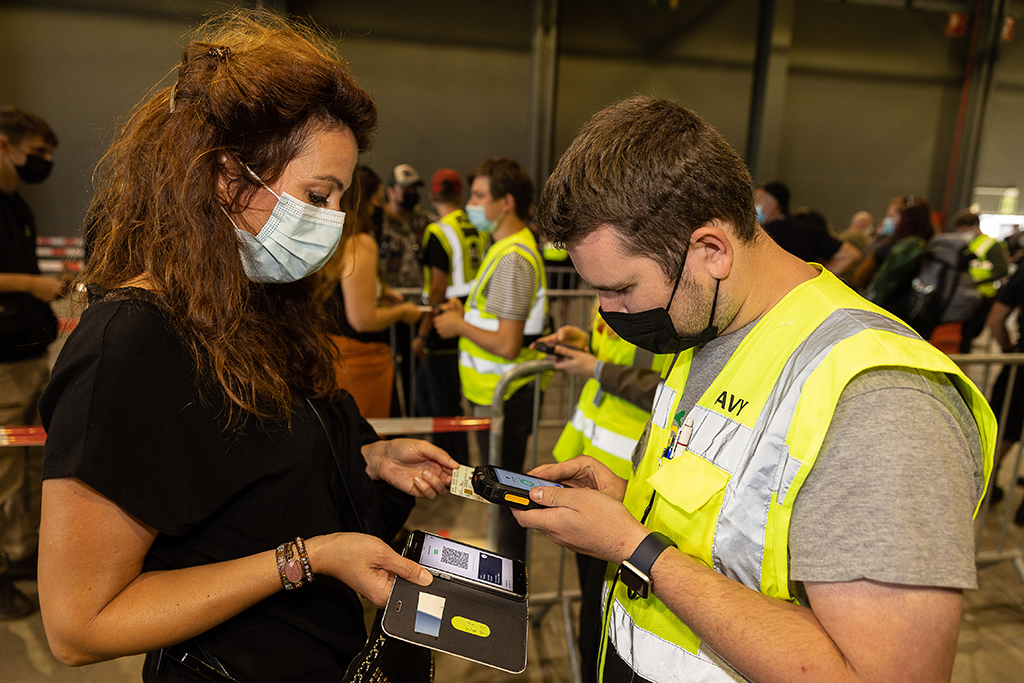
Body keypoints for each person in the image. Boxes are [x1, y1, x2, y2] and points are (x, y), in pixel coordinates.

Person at [35, 12, 458, 681]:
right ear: (227, 178)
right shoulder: (128, 348)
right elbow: (79, 622)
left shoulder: (257, 305)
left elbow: (240, 472)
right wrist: (308, 558)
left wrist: (368, 460)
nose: (331, 222)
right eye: (317, 195)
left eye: (340, 199)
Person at [515, 96, 995, 683]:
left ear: (710, 251)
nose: (605, 310)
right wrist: (624, 502)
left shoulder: (881, 400)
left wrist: (635, 549)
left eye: (620, 287)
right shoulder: (708, 328)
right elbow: (739, 529)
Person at [532, 311, 665, 683]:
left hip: (628, 484)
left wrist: (596, 368)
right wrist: (585, 344)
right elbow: (620, 353)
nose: (606, 299)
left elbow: (666, 390)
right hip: (593, 468)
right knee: (591, 598)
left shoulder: (677, 304)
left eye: (619, 288)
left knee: (601, 610)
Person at [433, 157, 550, 560]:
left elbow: (506, 343)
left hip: (506, 397)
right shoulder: (503, 249)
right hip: (493, 396)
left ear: (507, 203)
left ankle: (507, 574)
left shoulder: (514, 257)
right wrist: (464, 312)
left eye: (481, 196)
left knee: (506, 497)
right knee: (498, 490)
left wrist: (459, 326)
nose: (471, 203)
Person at [0, 105, 62, 619]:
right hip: (1, 365)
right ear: (5, 144)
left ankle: (21, 553)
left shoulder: (17, 206)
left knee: (30, 463)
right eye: (38, 152)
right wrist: (30, 286)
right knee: (2, 470)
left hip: (28, 355)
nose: (44, 163)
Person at [322, 165, 423, 418]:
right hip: (361, 367)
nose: (378, 210)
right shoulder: (360, 244)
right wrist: (403, 313)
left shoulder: (328, 240)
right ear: (363, 200)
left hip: (331, 360)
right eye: (377, 201)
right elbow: (363, 319)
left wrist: (379, 291)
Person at [412, 168, 488, 465]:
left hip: (444, 322)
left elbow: (438, 287)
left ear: (433, 196)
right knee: (433, 393)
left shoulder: (438, 231)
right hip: (469, 321)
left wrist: (422, 331)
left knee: (443, 401)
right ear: (460, 194)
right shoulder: (479, 229)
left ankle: (452, 464)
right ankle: (447, 457)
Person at [378, 163, 435, 416]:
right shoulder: (377, 221)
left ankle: (415, 422)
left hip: (417, 308)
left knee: (415, 373)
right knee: (385, 371)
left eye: (415, 188)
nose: (412, 192)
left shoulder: (425, 220)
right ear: (390, 192)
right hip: (384, 308)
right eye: (406, 188)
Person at [756, 182, 861, 276]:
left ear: (773, 204)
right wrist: (818, 280)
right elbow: (850, 254)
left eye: (758, 200)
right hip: (800, 293)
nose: (754, 205)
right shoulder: (806, 229)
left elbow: (851, 254)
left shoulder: (759, 233)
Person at [954, 209, 1007, 354]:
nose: (961, 232)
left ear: (973, 226)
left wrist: (978, 282)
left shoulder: (992, 244)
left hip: (984, 295)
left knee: (971, 332)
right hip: (965, 293)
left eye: (963, 229)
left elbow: (1002, 270)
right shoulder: (968, 242)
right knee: (962, 333)